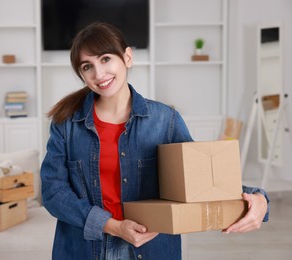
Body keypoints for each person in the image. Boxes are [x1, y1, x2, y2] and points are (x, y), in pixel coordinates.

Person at [40, 22, 269, 260]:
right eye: (88, 66)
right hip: (85, 249)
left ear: (127, 57)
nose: (99, 74)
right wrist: (112, 225)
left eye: (106, 59)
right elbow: (53, 192)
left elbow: (199, 181)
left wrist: (258, 198)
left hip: (150, 248)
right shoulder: (66, 123)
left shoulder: (165, 120)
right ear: (82, 75)